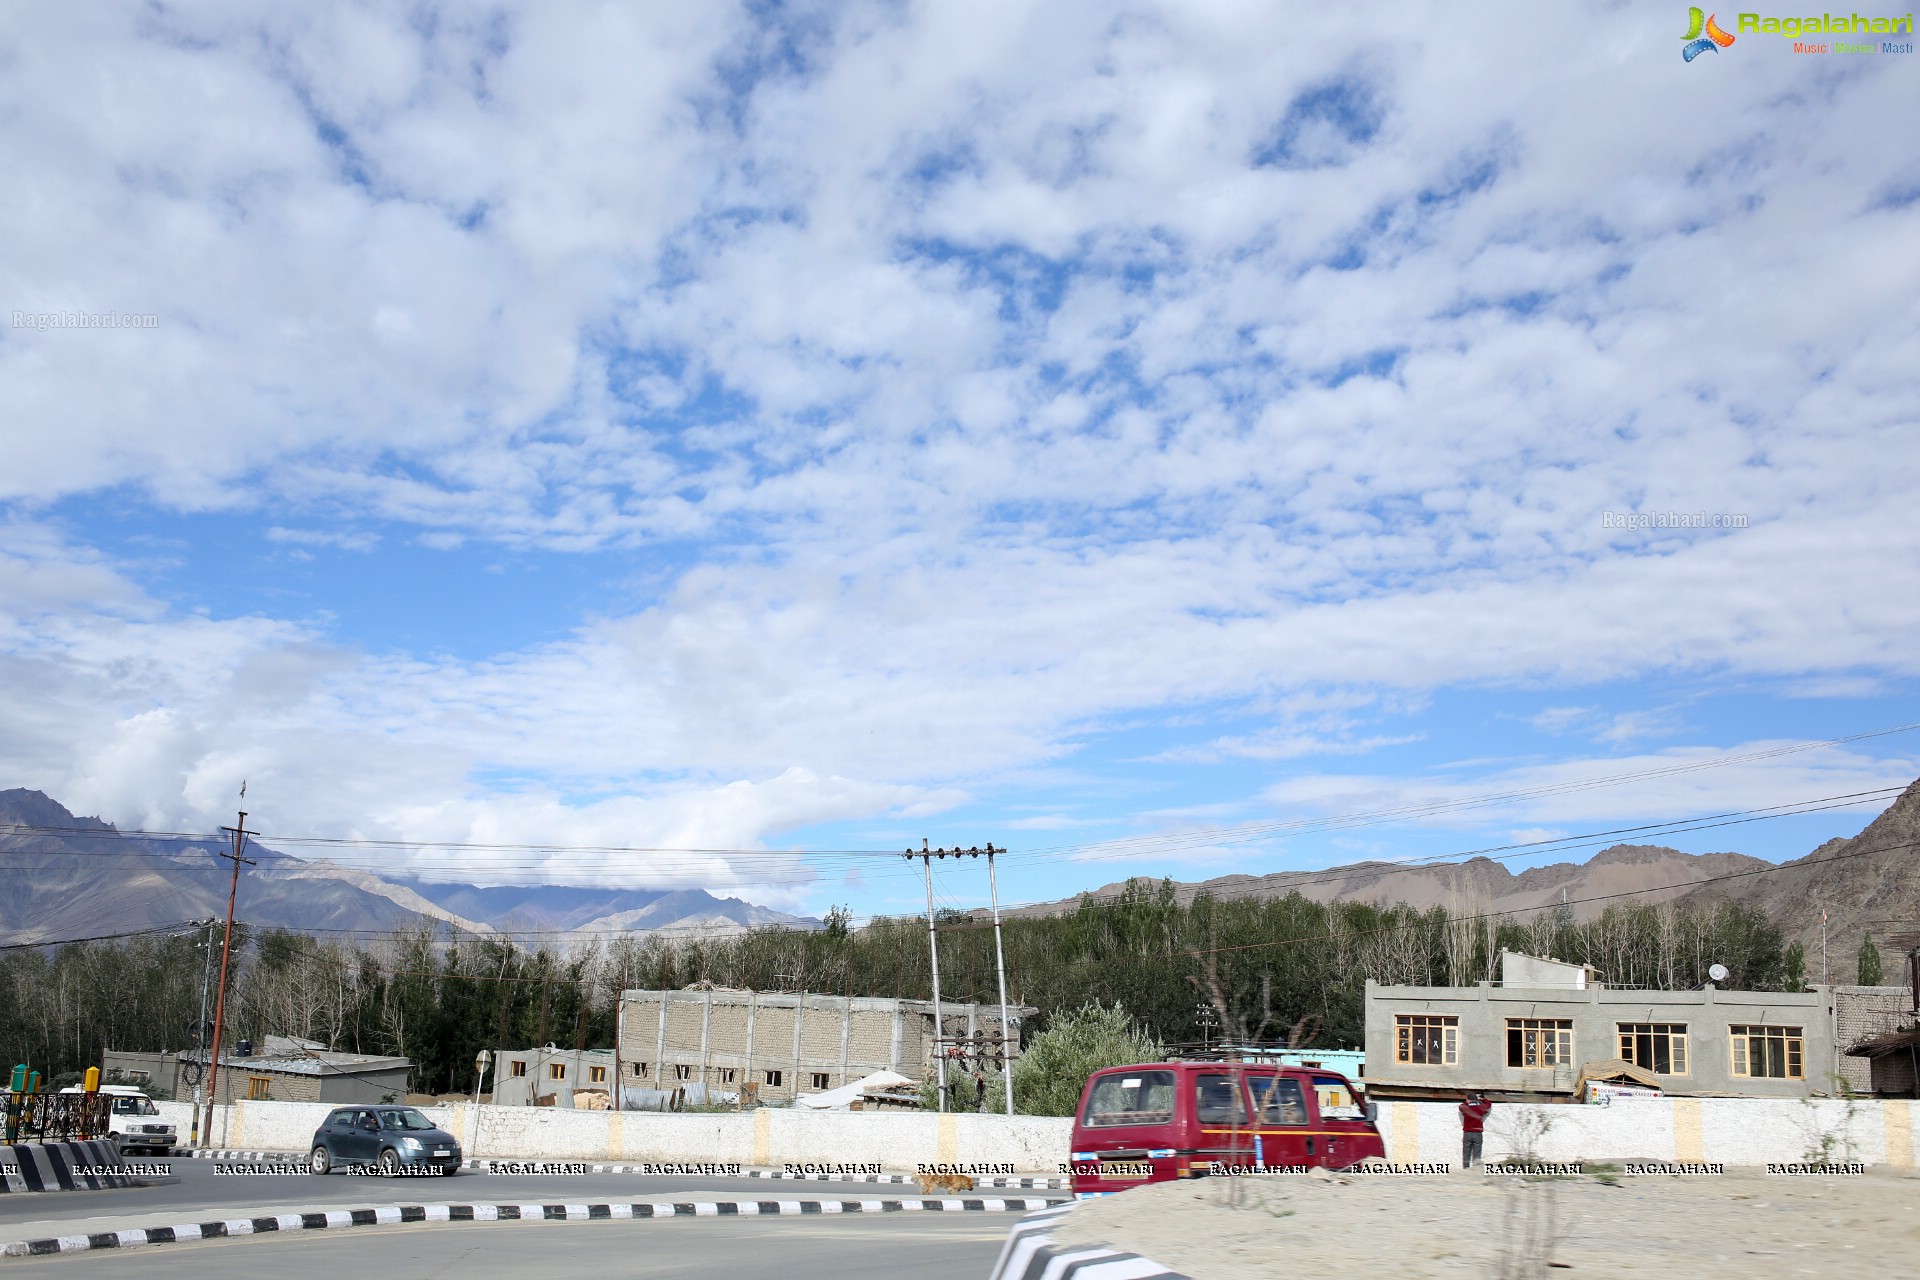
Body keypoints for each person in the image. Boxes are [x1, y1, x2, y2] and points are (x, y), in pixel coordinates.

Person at [1459, 1093, 1492, 1169]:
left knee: (1466, 1152)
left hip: (1467, 1133)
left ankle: (1466, 1168)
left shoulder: (1465, 1108)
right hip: (1477, 1133)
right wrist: (1483, 1099)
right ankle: (1476, 1169)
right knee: (1477, 1152)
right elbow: (1489, 1104)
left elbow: (1461, 1106)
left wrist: (1467, 1102)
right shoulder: (1480, 1108)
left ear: (1468, 1100)